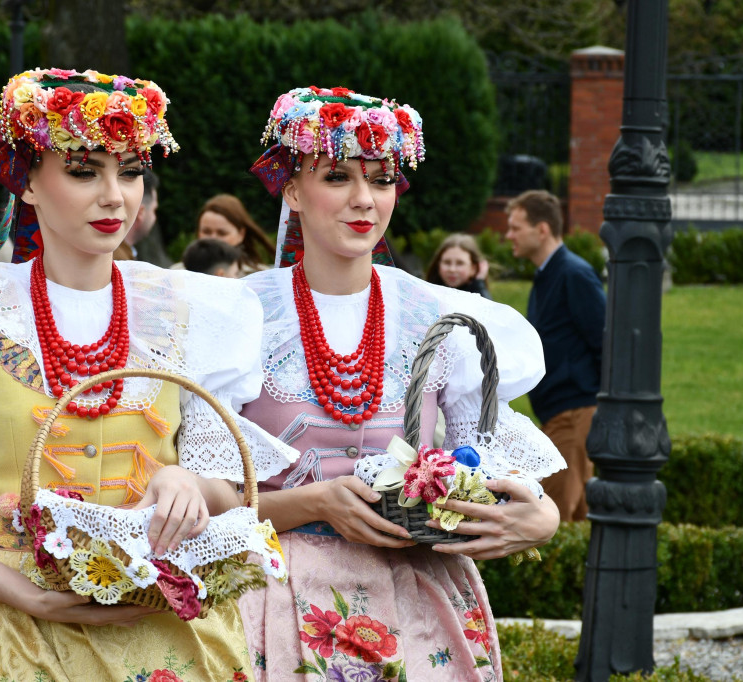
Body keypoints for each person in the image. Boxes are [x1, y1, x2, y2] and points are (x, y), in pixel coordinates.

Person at [0, 68, 296, 680]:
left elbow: (226, 489)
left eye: (130, 171)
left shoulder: (194, 312)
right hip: (3, 628)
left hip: (157, 626)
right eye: (84, 171)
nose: (115, 196)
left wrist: (189, 484)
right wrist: (25, 594)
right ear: (26, 180)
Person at [236, 86, 565, 681]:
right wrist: (307, 504)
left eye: (382, 179)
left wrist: (540, 516)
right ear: (290, 188)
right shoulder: (240, 316)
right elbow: (194, 498)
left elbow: (491, 470)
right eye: (337, 176)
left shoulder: (438, 318)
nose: (364, 200)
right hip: (276, 601)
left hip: (419, 601)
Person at [504, 190, 605, 522]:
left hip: (575, 412)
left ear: (542, 229)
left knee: (554, 519)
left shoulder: (573, 274)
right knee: (572, 515)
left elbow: (605, 340)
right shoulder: (549, 274)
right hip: (561, 413)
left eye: (516, 227)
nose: (509, 235)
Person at [196, 193, 276, 275]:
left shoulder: (262, 277)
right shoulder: (183, 274)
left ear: (241, 235)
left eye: (222, 233)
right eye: (206, 232)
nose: (212, 239)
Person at [113, 168, 172, 267]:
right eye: (154, 210)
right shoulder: (118, 262)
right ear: (140, 212)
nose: (154, 217)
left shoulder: (121, 255)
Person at [425, 233, 492, 299]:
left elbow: (487, 307)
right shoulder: (428, 294)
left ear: (473, 268)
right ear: (438, 264)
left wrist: (479, 283)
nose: (452, 269)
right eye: (447, 262)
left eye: (460, 263)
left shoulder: (477, 296)